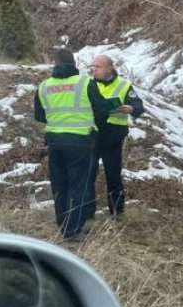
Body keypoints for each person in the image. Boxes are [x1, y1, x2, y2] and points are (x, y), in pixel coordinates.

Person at [34, 48, 121, 241]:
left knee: (59, 184)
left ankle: (63, 223)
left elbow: (39, 115)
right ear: (74, 64)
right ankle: (73, 231)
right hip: (80, 142)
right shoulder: (85, 84)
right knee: (78, 186)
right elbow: (102, 110)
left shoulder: (44, 86)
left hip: (54, 142)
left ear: (54, 64)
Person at [87, 54, 143, 220]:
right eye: (93, 66)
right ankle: (88, 213)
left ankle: (117, 213)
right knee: (88, 175)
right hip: (93, 134)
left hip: (113, 137)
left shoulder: (124, 85)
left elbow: (138, 105)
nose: (94, 70)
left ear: (109, 68)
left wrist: (131, 109)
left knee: (113, 176)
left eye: (98, 66)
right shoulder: (88, 84)